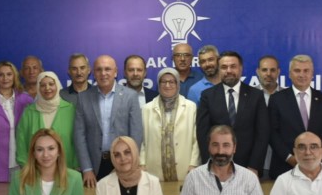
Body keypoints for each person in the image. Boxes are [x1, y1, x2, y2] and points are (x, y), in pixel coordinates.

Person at [74, 55, 143, 187]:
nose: (103, 73)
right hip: (94, 166)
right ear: (93, 73)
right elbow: (79, 135)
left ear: (115, 72)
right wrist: (87, 169)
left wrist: (130, 162)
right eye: (99, 69)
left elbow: (136, 134)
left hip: (123, 162)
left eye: (107, 69)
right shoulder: (83, 98)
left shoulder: (130, 96)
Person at [196, 51, 269, 174]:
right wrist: (210, 164)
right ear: (219, 70)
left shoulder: (256, 95)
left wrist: (254, 166)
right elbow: (203, 134)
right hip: (217, 164)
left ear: (241, 69)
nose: (228, 71)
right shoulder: (207, 96)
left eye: (233, 66)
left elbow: (262, 133)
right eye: (224, 67)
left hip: (248, 167)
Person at [269, 54, 322, 180]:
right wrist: (289, 158)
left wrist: (320, 158)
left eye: (306, 71)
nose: (302, 75)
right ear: (290, 74)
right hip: (286, 167)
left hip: (319, 167)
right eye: (297, 71)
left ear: (312, 74)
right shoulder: (276, 99)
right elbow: (272, 133)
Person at [140, 68, 200, 181]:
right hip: (153, 171)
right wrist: (142, 163)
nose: (167, 85)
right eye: (163, 81)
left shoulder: (190, 107)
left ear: (178, 85)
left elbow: (196, 139)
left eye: (172, 82)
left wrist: (194, 164)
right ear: (158, 85)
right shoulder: (146, 109)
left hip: (185, 169)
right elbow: (142, 140)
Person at [17, 71, 79, 170]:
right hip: (35, 170)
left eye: (51, 84)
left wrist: (76, 166)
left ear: (57, 85)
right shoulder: (29, 111)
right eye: (43, 85)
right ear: (38, 88)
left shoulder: (70, 109)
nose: (47, 88)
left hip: (66, 169)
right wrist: (25, 166)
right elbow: (21, 141)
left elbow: (77, 140)